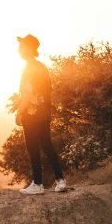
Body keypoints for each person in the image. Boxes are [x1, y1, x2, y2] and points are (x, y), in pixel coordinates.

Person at [15, 34, 67, 195]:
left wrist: (19, 111)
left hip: (31, 114)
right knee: (46, 144)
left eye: (22, 46)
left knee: (33, 148)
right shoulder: (41, 67)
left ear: (29, 49)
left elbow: (28, 94)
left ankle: (37, 184)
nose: (19, 49)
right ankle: (60, 180)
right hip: (44, 112)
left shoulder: (28, 68)